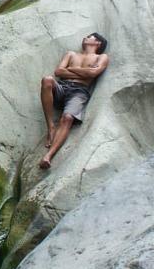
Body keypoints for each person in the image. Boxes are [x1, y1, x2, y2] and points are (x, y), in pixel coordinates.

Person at [39, 33, 109, 170]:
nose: (85, 37)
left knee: (67, 118)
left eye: (90, 37)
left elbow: (93, 74)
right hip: (62, 87)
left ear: (98, 43)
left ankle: (48, 156)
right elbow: (59, 72)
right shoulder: (71, 54)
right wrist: (85, 72)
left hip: (79, 92)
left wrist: (70, 69)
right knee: (47, 79)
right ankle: (51, 127)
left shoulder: (101, 57)